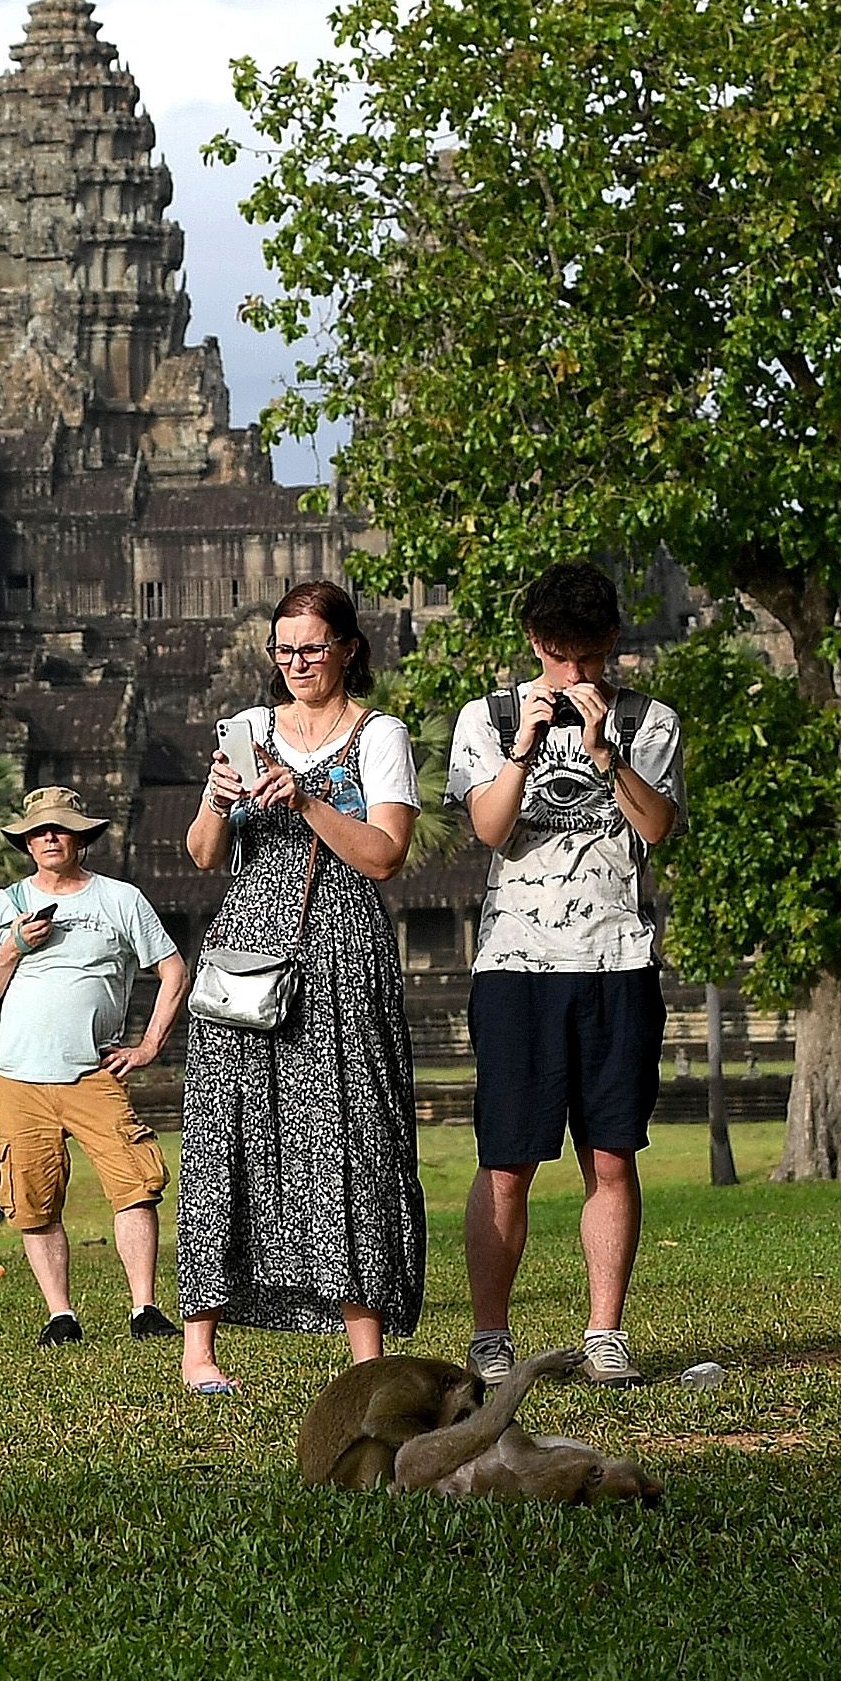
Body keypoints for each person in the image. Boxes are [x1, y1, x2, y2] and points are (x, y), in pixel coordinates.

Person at [173, 577, 428, 1396]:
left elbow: (385, 854)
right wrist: (217, 800)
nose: (296, 663)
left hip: (342, 946)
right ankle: (200, 1349)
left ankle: (366, 1353)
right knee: (226, 1129)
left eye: (312, 648)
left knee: (350, 1132)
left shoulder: (380, 735)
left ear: (349, 649)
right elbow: (206, 856)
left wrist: (310, 796)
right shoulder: (247, 728)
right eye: (282, 650)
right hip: (248, 942)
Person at [448, 560, 684, 1387]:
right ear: (534, 642)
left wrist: (604, 752)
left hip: (617, 960)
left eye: (587, 657)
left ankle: (604, 1332)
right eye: (557, 655)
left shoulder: (650, 720)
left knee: (612, 1155)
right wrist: (523, 747)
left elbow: (657, 827)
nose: (573, 674)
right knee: (507, 1159)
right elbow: (489, 826)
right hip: (516, 964)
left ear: (612, 643)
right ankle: (489, 1333)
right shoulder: (489, 715)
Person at [0, 784, 190, 1348]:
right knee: (33, 1196)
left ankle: (144, 1306)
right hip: (18, 1074)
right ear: (27, 842)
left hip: (95, 1070)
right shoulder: (1, 906)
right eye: (38, 831)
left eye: (60, 828)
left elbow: (173, 971)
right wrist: (13, 945)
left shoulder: (119, 900)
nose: (49, 838)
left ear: (81, 837)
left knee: (136, 1184)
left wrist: (147, 1046)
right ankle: (60, 1314)